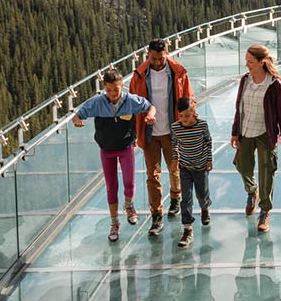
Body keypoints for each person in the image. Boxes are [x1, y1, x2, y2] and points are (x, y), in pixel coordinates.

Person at [74, 67, 156, 242]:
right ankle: (114, 223)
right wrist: (77, 120)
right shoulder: (97, 102)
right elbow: (79, 113)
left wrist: (150, 116)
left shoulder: (130, 101)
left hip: (126, 147)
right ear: (104, 88)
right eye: (109, 90)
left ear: (122, 86)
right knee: (111, 187)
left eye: (116, 90)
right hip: (106, 150)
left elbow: (150, 107)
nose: (112, 94)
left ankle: (129, 205)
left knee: (129, 181)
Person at [130, 38, 194, 239]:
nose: (156, 62)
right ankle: (156, 214)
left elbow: (189, 100)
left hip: (172, 131)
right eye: (153, 58)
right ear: (148, 55)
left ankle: (175, 198)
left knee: (175, 169)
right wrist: (133, 132)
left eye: (160, 58)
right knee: (152, 175)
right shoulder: (139, 75)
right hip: (149, 134)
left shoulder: (178, 73)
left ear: (167, 54)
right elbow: (132, 103)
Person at [231, 44, 281, 233]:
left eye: (250, 62)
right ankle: (252, 192)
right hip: (246, 131)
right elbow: (238, 108)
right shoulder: (245, 80)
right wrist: (235, 132)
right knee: (242, 166)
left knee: (267, 173)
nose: (247, 65)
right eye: (246, 61)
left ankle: (265, 211)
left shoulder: (273, 84)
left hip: (266, 134)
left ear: (261, 62)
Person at [171, 97, 214, 248]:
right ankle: (187, 229)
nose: (184, 120)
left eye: (187, 116)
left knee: (202, 194)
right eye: (181, 116)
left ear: (194, 112)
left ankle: (205, 208)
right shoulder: (176, 128)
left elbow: (208, 142)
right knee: (186, 198)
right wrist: (175, 159)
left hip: (201, 167)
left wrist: (209, 159)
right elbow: (174, 144)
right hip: (185, 168)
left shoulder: (202, 126)